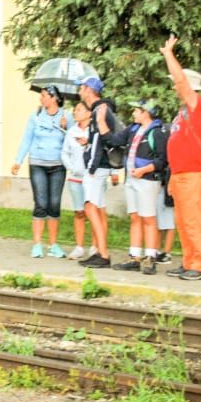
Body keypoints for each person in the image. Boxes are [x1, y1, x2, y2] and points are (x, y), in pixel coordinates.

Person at [160, 35, 201, 280]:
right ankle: (189, 260)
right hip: (181, 173)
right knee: (183, 220)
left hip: (192, 173)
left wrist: (169, 54)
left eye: (178, 85)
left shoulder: (196, 105)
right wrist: (172, 176)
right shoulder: (183, 111)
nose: (174, 87)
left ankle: (200, 265)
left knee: (194, 220)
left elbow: (180, 81)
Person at [99, 98, 168, 275]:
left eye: (136, 110)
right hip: (131, 179)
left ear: (145, 113)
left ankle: (151, 257)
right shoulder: (133, 129)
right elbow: (113, 140)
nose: (133, 113)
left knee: (149, 219)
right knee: (135, 217)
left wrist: (144, 170)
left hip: (147, 180)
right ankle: (134, 257)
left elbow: (162, 160)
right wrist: (100, 121)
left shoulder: (157, 132)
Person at [12, 86, 69, 258]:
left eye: (44, 96)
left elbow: (74, 140)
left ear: (54, 98)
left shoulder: (66, 117)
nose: (41, 99)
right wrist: (18, 161)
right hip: (38, 164)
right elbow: (26, 139)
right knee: (41, 203)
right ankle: (37, 245)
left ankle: (53, 245)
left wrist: (65, 129)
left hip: (58, 165)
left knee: (54, 203)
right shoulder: (36, 116)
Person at [75, 76, 117, 268]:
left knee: (91, 207)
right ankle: (100, 251)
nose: (79, 91)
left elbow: (101, 141)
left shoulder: (100, 110)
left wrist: (91, 166)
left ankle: (103, 254)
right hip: (100, 165)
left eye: (81, 87)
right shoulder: (101, 109)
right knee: (98, 208)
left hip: (96, 167)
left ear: (89, 90)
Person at [60, 100, 96, 260]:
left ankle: (96, 246)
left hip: (92, 178)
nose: (75, 112)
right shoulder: (71, 131)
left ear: (89, 113)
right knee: (79, 212)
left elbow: (101, 149)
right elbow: (64, 153)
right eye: (75, 110)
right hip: (75, 178)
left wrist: (88, 143)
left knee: (94, 212)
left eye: (79, 110)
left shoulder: (94, 131)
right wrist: (71, 167)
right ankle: (79, 247)